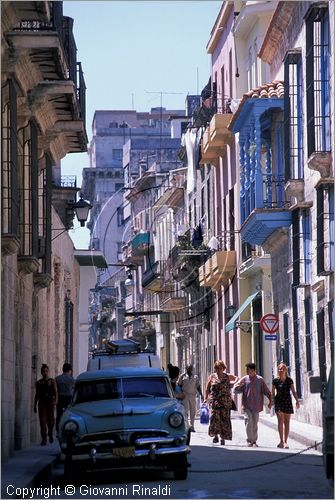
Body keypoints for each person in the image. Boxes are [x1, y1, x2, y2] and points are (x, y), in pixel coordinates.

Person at [233, 362, 272, 447]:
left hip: (256, 405)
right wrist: (239, 386)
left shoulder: (260, 380)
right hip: (246, 405)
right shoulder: (244, 379)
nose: (247, 371)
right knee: (248, 422)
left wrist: (270, 401)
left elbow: (266, 391)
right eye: (246, 369)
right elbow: (235, 390)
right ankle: (249, 440)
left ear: (253, 370)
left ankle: (254, 441)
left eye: (248, 369)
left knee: (254, 423)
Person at [205, 360, 238, 445]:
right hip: (215, 401)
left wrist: (233, 384)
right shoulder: (212, 377)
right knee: (214, 419)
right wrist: (206, 398)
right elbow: (207, 388)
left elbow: (236, 378)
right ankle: (215, 435)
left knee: (224, 419)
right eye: (217, 368)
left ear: (223, 368)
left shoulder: (227, 376)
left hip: (225, 401)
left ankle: (222, 437)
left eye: (221, 368)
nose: (219, 370)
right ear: (215, 369)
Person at [272, 362, 300, 449]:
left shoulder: (289, 380)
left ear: (286, 370)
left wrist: (297, 401)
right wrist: (271, 401)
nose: (281, 370)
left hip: (287, 401)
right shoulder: (275, 381)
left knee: (287, 422)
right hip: (279, 402)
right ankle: (281, 441)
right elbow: (272, 392)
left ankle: (286, 442)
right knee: (280, 421)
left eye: (282, 368)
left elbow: (293, 391)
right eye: (280, 369)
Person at [34, 364, 57, 445]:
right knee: (43, 422)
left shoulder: (52, 381)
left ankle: (50, 434)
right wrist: (34, 405)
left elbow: (55, 392)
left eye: (46, 371)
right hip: (42, 405)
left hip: (50, 404)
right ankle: (44, 439)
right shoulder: (38, 383)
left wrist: (55, 402)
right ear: (41, 372)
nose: (45, 373)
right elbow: (37, 395)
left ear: (48, 372)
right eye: (43, 371)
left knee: (51, 422)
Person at [178, 364, 204, 432]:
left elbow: (198, 386)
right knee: (185, 410)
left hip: (192, 395)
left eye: (191, 368)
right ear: (186, 369)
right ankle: (186, 426)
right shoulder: (182, 376)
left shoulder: (195, 377)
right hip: (185, 395)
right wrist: (179, 394)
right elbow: (179, 385)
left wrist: (201, 395)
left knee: (193, 411)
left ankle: (192, 426)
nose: (189, 369)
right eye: (188, 368)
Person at [55, 363, 75, 433]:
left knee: (59, 415)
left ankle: (58, 430)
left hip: (60, 399)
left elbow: (55, 391)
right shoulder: (72, 379)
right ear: (70, 370)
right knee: (70, 415)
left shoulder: (57, 379)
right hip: (69, 399)